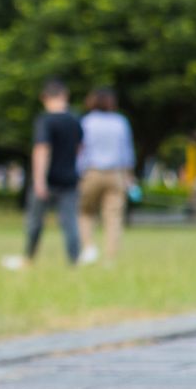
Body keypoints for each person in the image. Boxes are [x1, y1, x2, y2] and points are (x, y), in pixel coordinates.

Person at [3, 79, 83, 271]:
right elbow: (80, 148)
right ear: (65, 95)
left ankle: (29, 258)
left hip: (48, 179)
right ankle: (74, 262)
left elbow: (42, 149)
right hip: (70, 178)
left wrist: (39, 180)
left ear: (44, 97)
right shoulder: (75, 120)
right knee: (70, 222)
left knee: (35, 222)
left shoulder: (45, 120)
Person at [76, 88, 135, 265]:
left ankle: (89, 247)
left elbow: (81, 152)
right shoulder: (120, 122)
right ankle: (110, 258)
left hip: (91, 172)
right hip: (116, 173)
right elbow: (127, 152)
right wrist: (128, 176)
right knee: (113, 217)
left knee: (85, 211)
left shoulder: (86, 122)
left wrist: (78, 173)